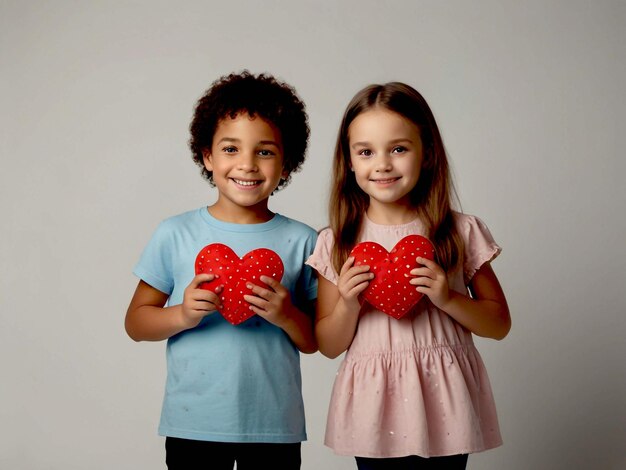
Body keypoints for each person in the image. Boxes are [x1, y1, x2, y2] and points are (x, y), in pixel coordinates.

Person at [306, 82, 511, 470]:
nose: (382, 164)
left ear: (428, 153)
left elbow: (499, 324)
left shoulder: (458, 231)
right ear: (348, 161)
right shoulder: (338, 242)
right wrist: (348, 304)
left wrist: (448, 298)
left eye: (398, 149)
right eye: (366, 152)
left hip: (445, 397)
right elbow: (328, 345)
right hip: (374, 402)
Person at [125, 71, 318, 470]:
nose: (246, 164)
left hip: (273, 426)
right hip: (193, 425)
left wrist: (286, 316)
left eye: (265, 151)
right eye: (231, 149)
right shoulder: (174, 232)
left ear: (287, 163)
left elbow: (314, 340)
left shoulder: (304, 240)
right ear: (207, 156)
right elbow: (136, 323)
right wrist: (182, 313)